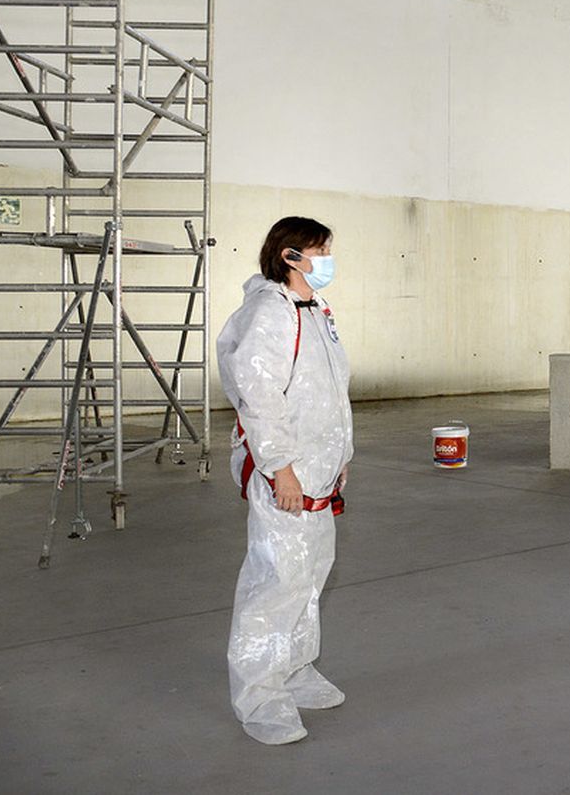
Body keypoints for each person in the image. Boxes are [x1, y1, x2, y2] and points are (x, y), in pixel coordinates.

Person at [218, 216, 353, 745]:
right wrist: (282, 469)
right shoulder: (269, 314)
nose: (327, 260)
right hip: (287, 472)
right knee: (274, 583)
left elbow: (329, 390)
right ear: (291, 256)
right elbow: (258, 398)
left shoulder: (314, 310)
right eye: (320, 251)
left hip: (319, 468)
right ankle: (259, 696)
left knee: (310, 575)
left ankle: (296, 671)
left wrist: (342, 455)